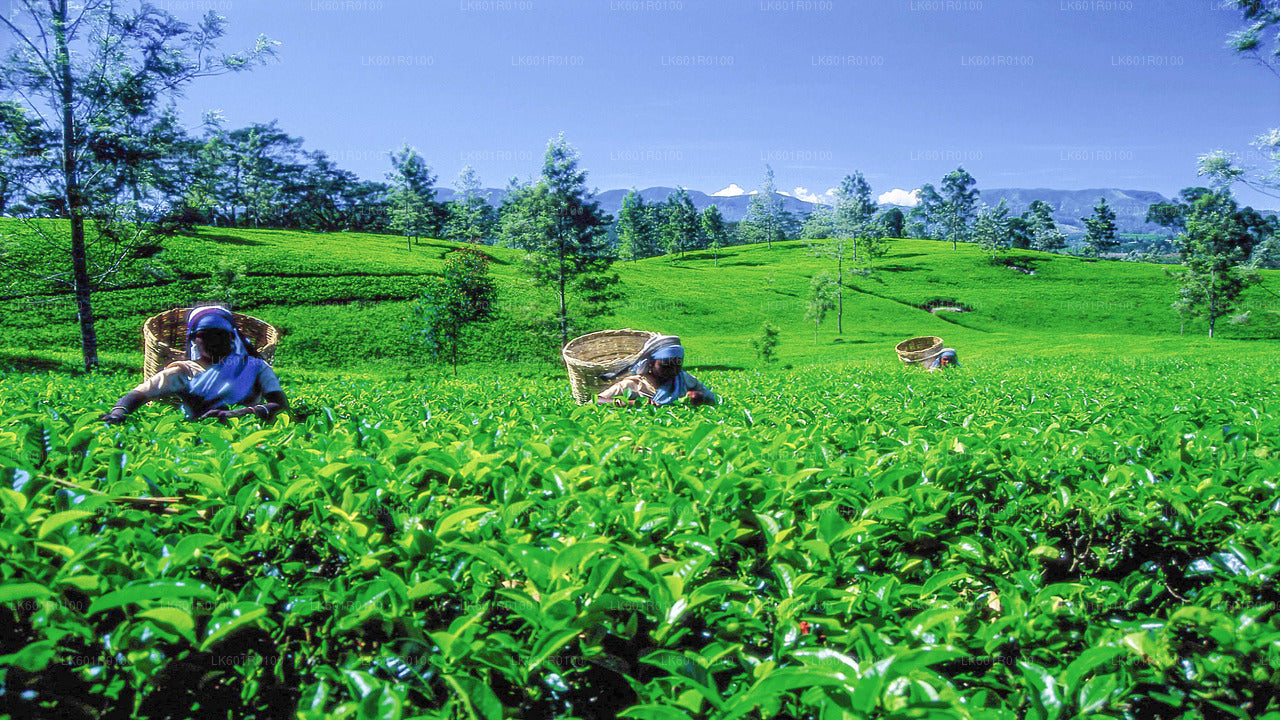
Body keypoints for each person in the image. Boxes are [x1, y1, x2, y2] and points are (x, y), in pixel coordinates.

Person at [102, 306, 287, 423]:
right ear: (195, 340)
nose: (214, 342)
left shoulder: (255, 367)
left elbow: (280, 404)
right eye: (205, 336)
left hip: (251, 437)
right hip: (199, 440)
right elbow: (139, 394)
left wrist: (237, 414)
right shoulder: (186, 371)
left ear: (232, 337)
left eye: (219, 335)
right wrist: (118, 412)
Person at [596, 334, 717, 407]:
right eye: (665, 366)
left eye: (677, 365)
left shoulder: (684, 379)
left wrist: (700, 397)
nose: (673, 370)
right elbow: (595, 401)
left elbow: (714, 399)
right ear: (651, 363)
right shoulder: (633, 385)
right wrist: (630, 403)